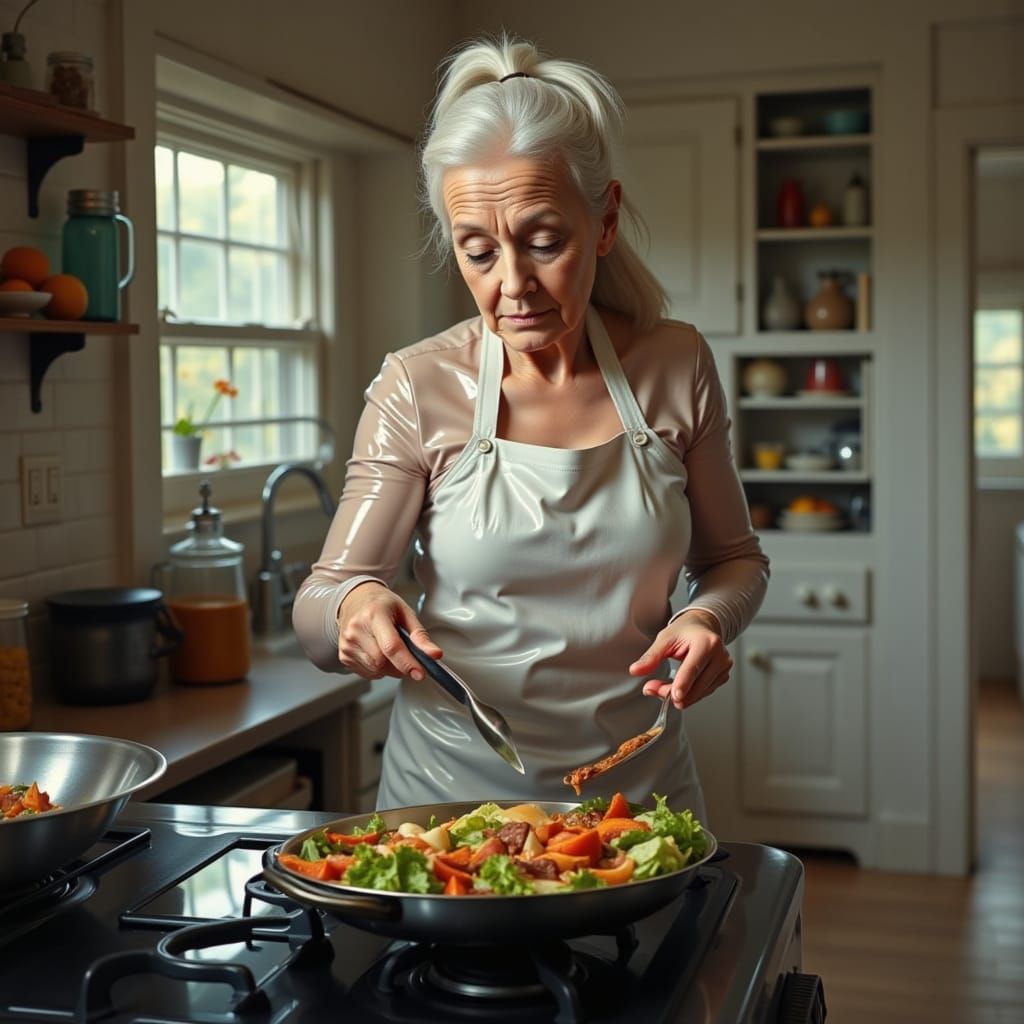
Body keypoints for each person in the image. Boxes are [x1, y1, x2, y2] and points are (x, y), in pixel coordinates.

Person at [293, 35, 768, 821]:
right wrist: (354, 614)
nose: (511, 285)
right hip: (449, 812)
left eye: (545, 242)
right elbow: (324, 598)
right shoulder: (418, 384)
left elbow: (735, 560)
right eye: (477, 253)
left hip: (637, 807)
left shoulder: (675, 363)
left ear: (605, 219)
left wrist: (707, 617)